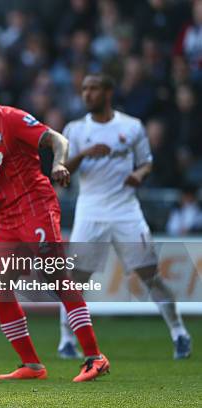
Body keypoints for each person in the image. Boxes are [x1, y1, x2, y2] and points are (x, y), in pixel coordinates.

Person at [0, 68, 109, 382]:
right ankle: (32, 364)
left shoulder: (11, 119)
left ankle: (95, 357)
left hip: (37, 206)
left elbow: (57, 140)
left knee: (55, 275)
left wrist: (59, 163)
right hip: (8, 219)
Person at [59, 73, 191, 360]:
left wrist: (138, 175)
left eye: (93, 88)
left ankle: (179, 332)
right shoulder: (75, 129)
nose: (87, 94)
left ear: (108, 92)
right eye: (84, 89)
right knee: (75, 279)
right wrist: (83, 155)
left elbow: (147, 163)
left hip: (125, 209)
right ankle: (66, 340)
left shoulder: (131, 127)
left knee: (149, 274)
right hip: (90, 209)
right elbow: (61, 173)